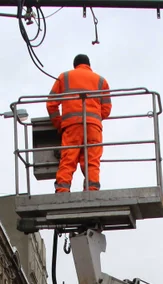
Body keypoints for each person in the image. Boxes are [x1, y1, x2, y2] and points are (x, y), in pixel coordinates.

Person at [47, 54, 111, 193]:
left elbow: (51, 104)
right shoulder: (101, 81)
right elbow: (106, 109)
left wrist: (59, 124)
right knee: (92, 160)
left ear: (75, 65)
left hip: (72, 126)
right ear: (89, 65)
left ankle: (62, 190)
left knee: (68, 158)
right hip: (93, 127)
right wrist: (94, 118)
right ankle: (92, 188)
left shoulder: (64, 77)